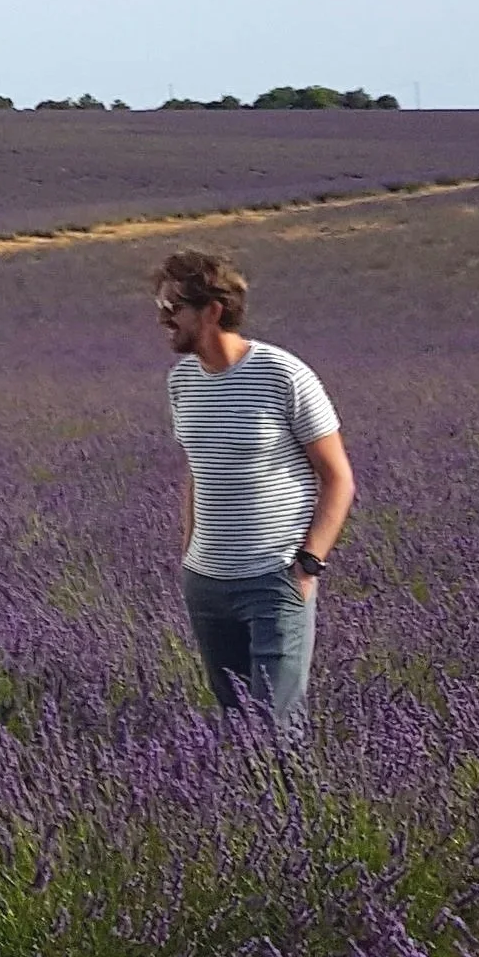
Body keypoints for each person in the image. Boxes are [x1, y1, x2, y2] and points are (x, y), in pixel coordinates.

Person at [159, 247, 355, 742]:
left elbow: (338, 479)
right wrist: (188, 557)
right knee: (235, 725)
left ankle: (298, 818)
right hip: (207, 585)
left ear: (211, 310)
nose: (163, 318)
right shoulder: (182, 382)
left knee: (276, 732)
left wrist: (308, 565)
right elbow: (196, 472)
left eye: (174, 307)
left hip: (273, 581)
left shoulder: (283, 374)